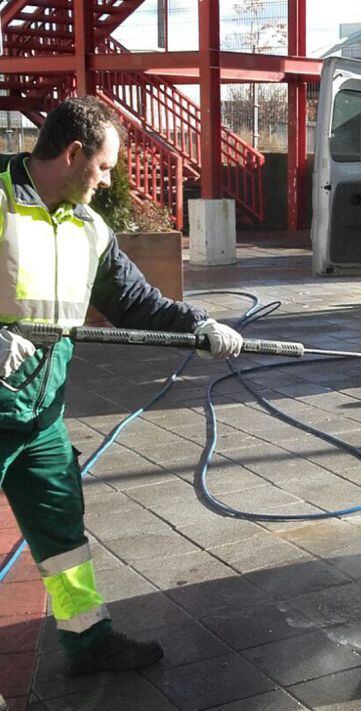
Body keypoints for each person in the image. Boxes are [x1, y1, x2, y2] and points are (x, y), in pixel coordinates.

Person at [0, 97, 242, 676]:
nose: (109, 181)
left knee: (61, 532)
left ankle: (88, 642)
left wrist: (198, 325)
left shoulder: (88, 228)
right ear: (73, 152)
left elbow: (135, 301)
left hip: (39, 415)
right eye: (104, 167)